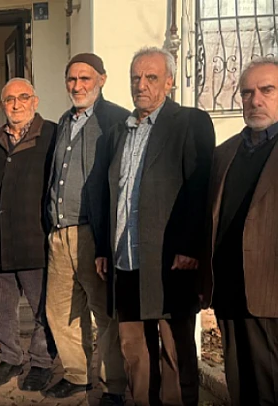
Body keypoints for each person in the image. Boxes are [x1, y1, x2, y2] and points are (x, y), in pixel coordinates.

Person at [98, 47, 215, 406]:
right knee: (133, 347)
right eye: (135, 78)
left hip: (171, 261)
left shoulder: (189, 123)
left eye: (151, 77)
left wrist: (191, 247)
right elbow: (111, 194)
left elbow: (200, 188)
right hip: (126, 260)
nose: (141, 85)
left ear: (169, 82)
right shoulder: (119, 132)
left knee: (174, 350)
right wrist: (104, 248)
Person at [43, 54, 129, 405]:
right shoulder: (65, 120)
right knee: (60, 310)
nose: (77, 86)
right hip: (60, 233)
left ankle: (113, 386)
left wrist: (108, 243)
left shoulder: (116, 120)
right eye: (72, 79)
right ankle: (77, 375)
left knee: (105, 312)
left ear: (102, 80)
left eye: (85, 78)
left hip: (93, 234)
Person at [202, 57, 278, 406]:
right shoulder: (225, 153)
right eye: (247, 92)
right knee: (240, 384)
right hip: (230, 291)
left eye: (267, 90)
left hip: (271, 292)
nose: (255, 100)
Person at [0, 78, 56, 391]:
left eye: (23, 97)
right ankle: (10, 357)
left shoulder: (51, 135)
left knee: (42, 309)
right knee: (1, 309)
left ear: (35, 101)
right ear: (2, 105)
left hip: (35, 239)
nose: (16, 104)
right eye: (10, 99)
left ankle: (41, 362)